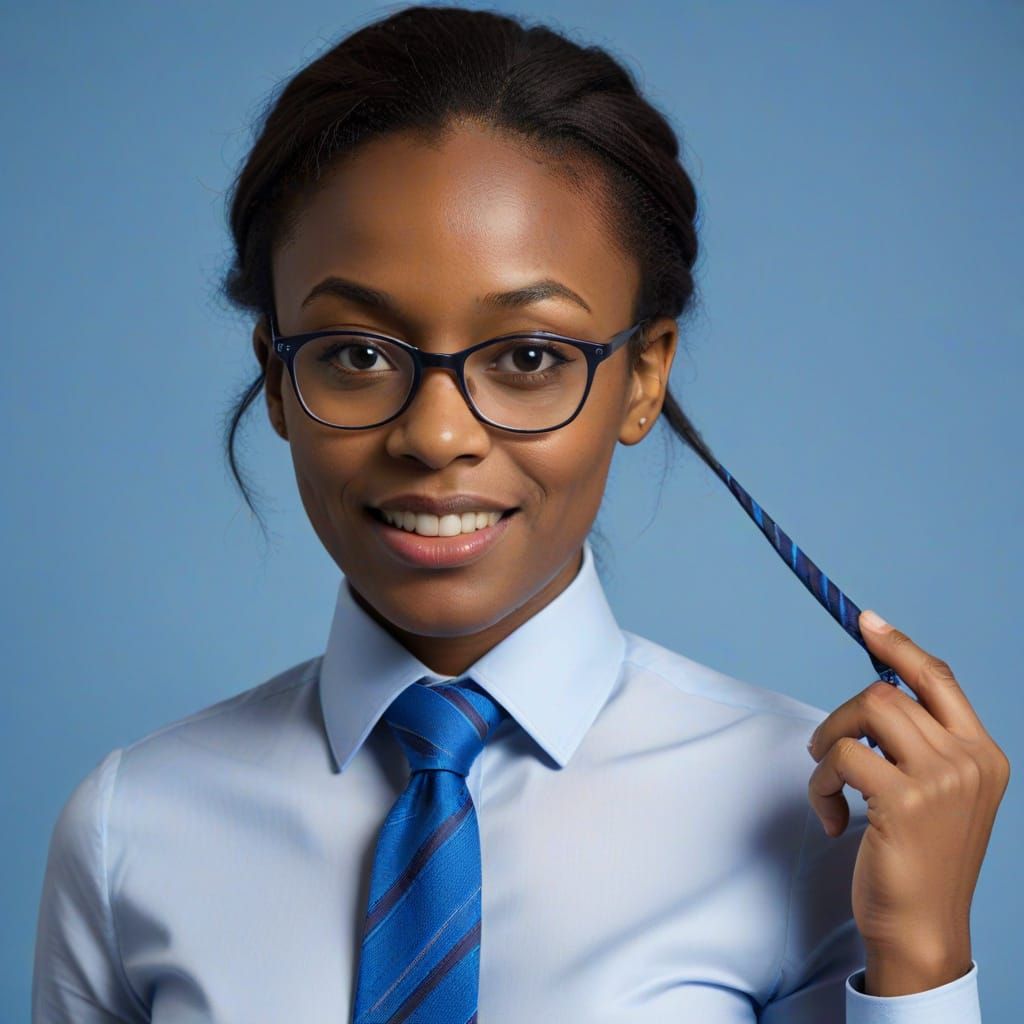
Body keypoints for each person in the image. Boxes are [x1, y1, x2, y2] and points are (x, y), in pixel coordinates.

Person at [32, 6, 1009, 1022]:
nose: (437, 435)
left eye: (529, 357)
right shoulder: (129, 830)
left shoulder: (816, 820)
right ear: (276, 380)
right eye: (356, 353)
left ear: (643, 376)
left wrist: (925, 960)